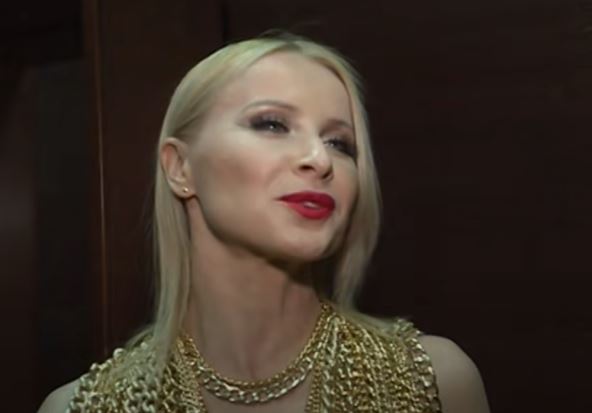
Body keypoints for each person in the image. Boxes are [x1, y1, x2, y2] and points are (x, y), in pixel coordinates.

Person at [38, 31, 491, 413]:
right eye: (272, 124)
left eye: (340, 143)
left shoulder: (435, 383)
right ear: (181, 168)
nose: (319, 160)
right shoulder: (83, 406)